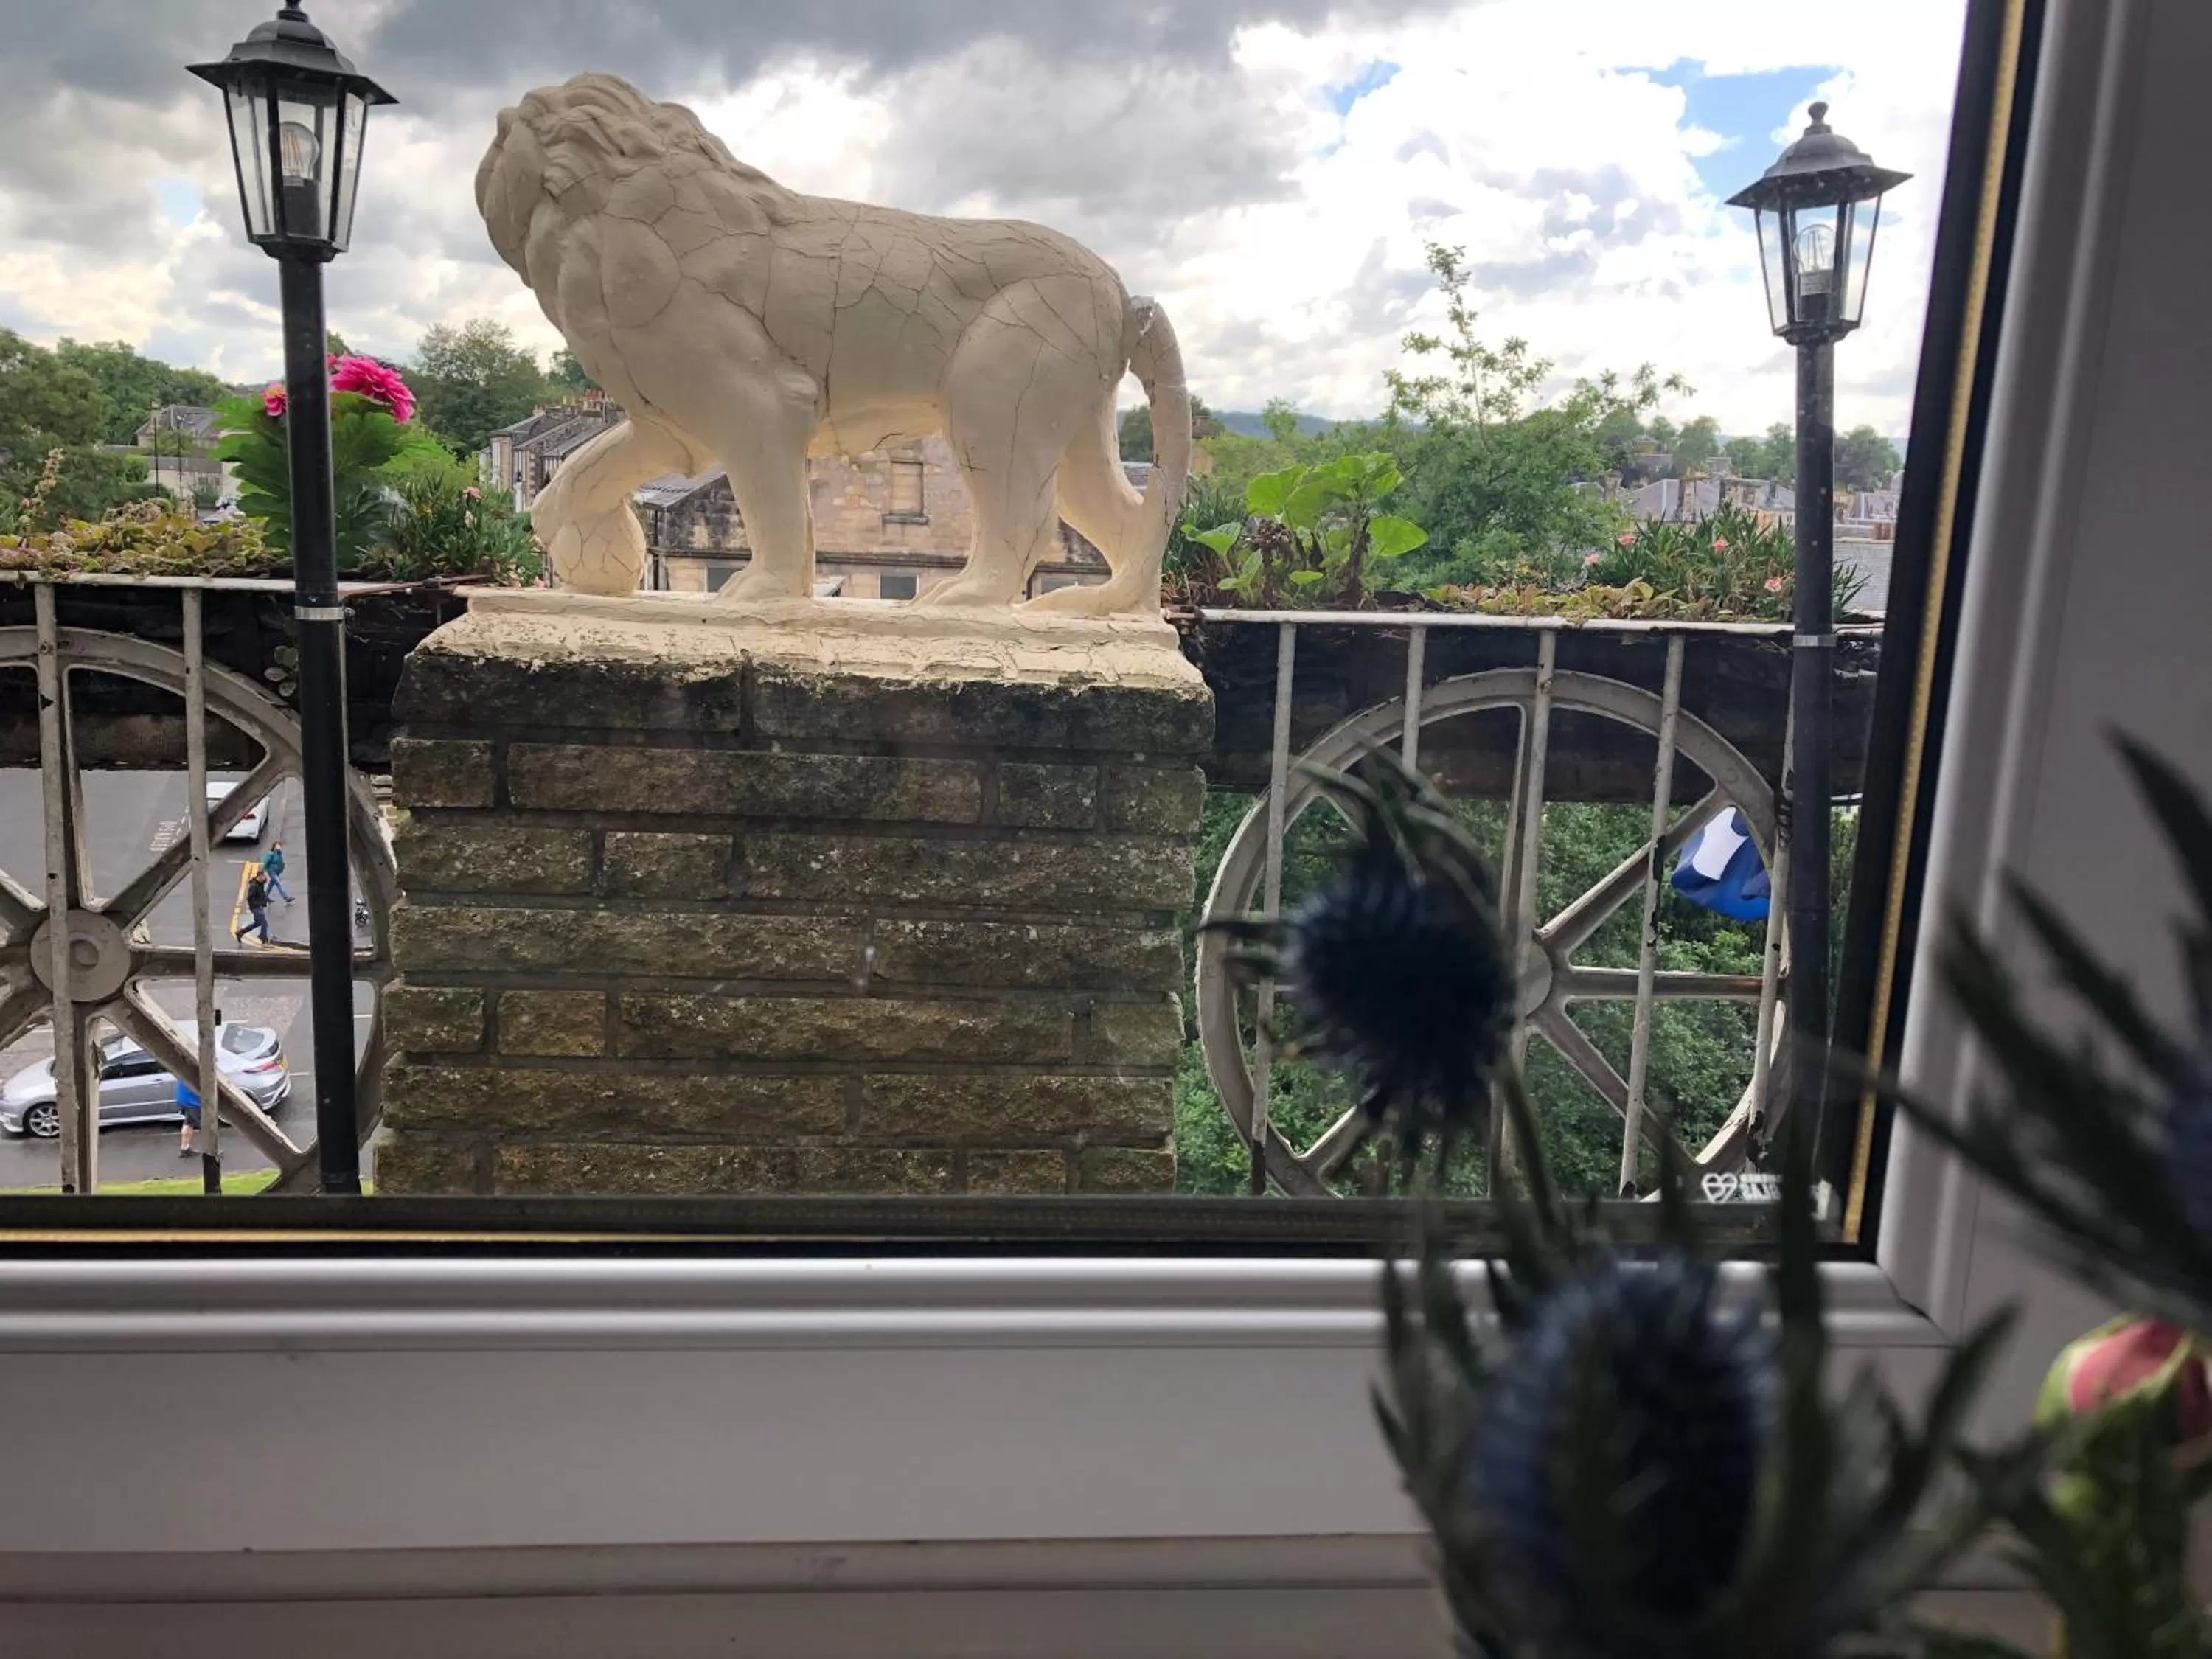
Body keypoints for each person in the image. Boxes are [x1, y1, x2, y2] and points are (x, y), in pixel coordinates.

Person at [235, 869, 273, 945]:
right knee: (264, 923)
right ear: (259, 877)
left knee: (258, 923)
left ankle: (241, 932)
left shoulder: (260, 883)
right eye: (263, 876)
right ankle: (263, 937)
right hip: (256, 907)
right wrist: (258, 904)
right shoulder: (254, 886)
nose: (264, 878)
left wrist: (266, 900)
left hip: (259, 906)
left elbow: (262, 892)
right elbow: (249, 898)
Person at [260, 840, 293, 905]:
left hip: (277, 872)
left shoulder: (279, 853)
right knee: (279, 884)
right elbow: (266, 862)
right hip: (272, 871)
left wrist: (282, 867)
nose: (279, 847)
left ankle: (265, 897)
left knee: (270, 885)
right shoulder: (271, 854)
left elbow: (281, 862)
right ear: (274, 847)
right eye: (277, 846)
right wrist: (262, 870)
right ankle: (286, 898)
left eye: (280, 846)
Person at [175, 1076, 201, 1158]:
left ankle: (185, 1149)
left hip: (184, 1099)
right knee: (207, 1126)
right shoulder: (193, 1069)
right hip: (192, 1102)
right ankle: (212, 1151)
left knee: (188, 1123)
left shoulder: (183, 1069)